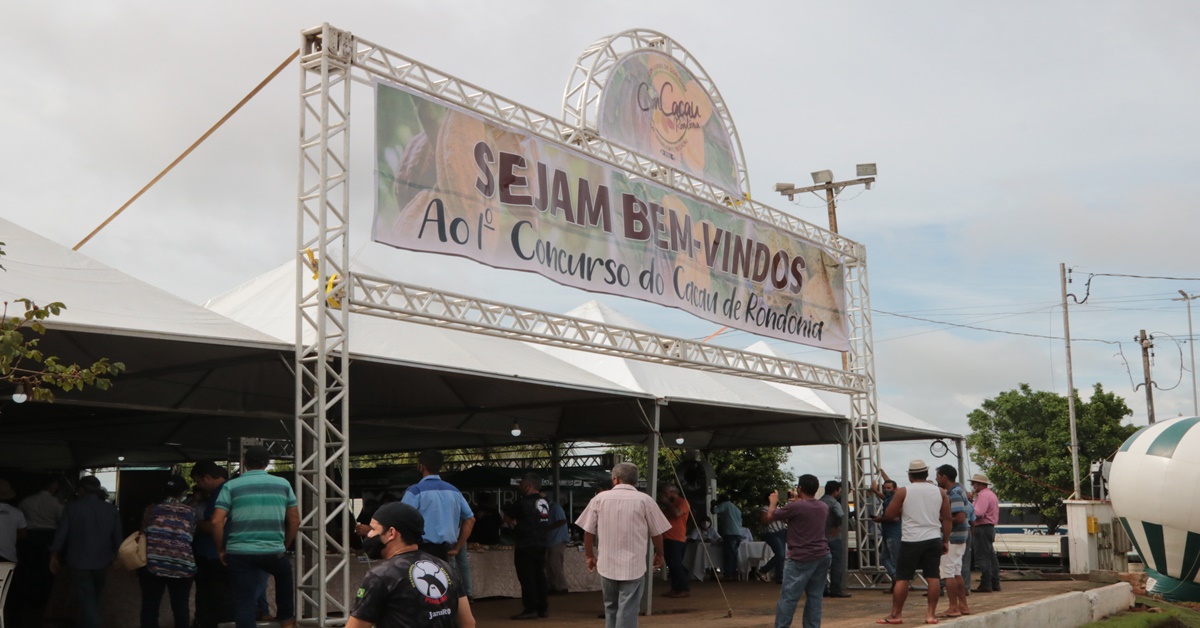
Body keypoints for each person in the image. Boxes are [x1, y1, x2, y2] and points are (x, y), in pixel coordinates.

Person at [347, 502, 476, 628]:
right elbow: (468, 623)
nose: (369, 534)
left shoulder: (380, 576)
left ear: (391, 533)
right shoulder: (446, 568)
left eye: (373, 529)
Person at [575, 462, 671, 628]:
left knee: (610, 607)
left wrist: (589, 555)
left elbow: (588, 532)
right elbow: (657, 533)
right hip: (633, 566)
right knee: (628, 609)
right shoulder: (645, 501)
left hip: (607, 565)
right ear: (635, 480)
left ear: (615, 479)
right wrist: (659, 553)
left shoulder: (599, 499)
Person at [212, 445, 299, 628]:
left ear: (244, 462)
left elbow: (216, 522)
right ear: (267, 463)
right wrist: (285, 544)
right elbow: (294, 521)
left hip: (239, 552)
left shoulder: (231, 486)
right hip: (273, 550)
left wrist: (220, 549)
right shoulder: (283, 485)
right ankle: (286, 618)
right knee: (284, 576)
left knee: (244, 603)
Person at [877, 460, 951, 626]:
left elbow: (889, 514)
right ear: (927, 474)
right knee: (933, 577)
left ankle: (896, 615)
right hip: (933, 538)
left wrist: (903, 509)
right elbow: (947, 518)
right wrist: (945, 540)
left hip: (911, 539)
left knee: (903, 578)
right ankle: (930, 615)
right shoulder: (940, 492)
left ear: (910, 476)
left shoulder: (903, 491)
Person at [50, 475, 122, 628]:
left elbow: (62, 533)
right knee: (94, 596)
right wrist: (118, 557)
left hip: (78, 561)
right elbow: (117, 536)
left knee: (87, 597)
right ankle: (86, 622)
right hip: (102, 560)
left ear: (81, 490)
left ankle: (92, 623)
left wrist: (54, 554)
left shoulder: (72, 507)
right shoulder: (111, 510)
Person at [763, 474, 830, 628]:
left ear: (799, 488)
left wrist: (773, 502)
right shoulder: (823, 506)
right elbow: (805, 509)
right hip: (822, 554)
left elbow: (770, 516)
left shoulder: (795, 507)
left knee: (789, 597)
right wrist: (798, 499)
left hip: (800, 557)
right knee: (815, 596)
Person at [140, 475, 198, 628]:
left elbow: (144, 533)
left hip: (154, 564)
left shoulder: (151, 509)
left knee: (150, 606)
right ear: (183, 492)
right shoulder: (191, 512)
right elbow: (191, 535)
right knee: (181, 607)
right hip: (183, 565)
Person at [401, 450, 475, 561]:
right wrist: (457, 548)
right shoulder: (454, 491)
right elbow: (470, 519)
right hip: (446, 552)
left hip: (422, 552)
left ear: (421, 467)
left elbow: (401, 520)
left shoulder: (415, 491)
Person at [190, 461, 235, 627]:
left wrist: (196, 523)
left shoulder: (222, 492)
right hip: (214, 555)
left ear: (207, 478)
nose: (198, 486)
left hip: (215, 557)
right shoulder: (225, 490)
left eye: (198, 481)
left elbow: (215, 524)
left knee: (215, 601)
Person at [502, 473, 551, 620]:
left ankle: (530, 608)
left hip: (525, 543)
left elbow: (507, 516)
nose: (520, 486)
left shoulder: (522, 502)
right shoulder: (544, 501)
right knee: (540, 575)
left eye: (522, 484)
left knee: (527, 577)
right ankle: (543, 607)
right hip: (541, 543)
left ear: (528, 486)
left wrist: (513, 523)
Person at [935, 465, 971, 618]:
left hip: (952, 537)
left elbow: (959, 517)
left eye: (938, 476)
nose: (936, 479)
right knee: (956, 572)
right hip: (959, 537)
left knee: (948, 573)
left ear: (944, 477)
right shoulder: (959, 490)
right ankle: (963, 606)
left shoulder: (954, 493)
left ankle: (953, 607)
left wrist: (941, 519)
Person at [870, 474, 901, 593]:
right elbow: (884, 497)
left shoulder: (895, 500)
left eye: (889, 488)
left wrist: (880, 519)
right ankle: (895, 578)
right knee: (884, 558)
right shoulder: (890, 499)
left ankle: (898, 582)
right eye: (885, 488)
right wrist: (875, 491)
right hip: (888, 534)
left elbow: (894, 518)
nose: (886, 490)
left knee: (894, 560)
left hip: (894, 534)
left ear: (895, 489)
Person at [969, 473, 1000, 593]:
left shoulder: (983, 495)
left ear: (979, 484)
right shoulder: (990, 494)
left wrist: (969, 505)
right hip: (989, 527)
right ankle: (994, 582)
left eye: (974, 483)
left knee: (983, 556)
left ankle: (986, 583)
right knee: (990, 556)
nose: (972, 485)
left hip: (982, 527)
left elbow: (978, 513)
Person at [659, 485, 691, 597]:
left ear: (673, 492)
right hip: (666, 538)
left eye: (666, 493)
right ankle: (675, 587)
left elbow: (677, 513)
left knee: (675, 564)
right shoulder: (669, 505)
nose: (664, 496)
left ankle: (684, 588)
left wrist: (667, 503)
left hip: (676, 538)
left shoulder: (683, 502)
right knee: (671, 565)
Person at [820, 481, 850, 598]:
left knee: (822, 565)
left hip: (820, 538)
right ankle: (835, 589)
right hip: (833, 538)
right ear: (835, 491)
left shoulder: (819, 502)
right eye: (839, 491)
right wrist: (836, 526)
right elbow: (839, 515)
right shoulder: (834, 503)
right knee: (836, 564)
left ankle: (823, 589)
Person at [757, 490, 787, 583]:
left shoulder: (778, 508)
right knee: (780, 554)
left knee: (782, 555)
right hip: (771, 533)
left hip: (782, 531)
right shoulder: (765, 508)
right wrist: (775, 515)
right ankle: (763, 570)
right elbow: (763, 521)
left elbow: (786, 520)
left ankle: (779, 576)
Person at [711, 494, 743, 580]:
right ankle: (734, 573)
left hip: (729, 533)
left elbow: (714, 511)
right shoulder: (736, 508)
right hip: (738, 533)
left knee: (728, 554)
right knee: (734, 554)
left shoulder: (724, 504)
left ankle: (728, 574)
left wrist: (713, 505)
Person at [545, 496, 569, 596]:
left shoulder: (555, 507)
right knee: (549, 564)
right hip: (550, 540)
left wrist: (547, 528)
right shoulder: (547, 508)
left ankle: (562, 586)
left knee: (555, 563)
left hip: (558, 539)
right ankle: (553, 586)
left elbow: (562, 520)